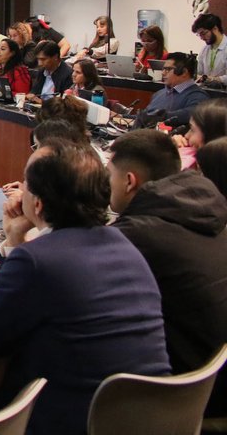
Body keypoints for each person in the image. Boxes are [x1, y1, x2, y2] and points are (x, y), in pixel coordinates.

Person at [0, 142, 169, 435]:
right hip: (148, 418)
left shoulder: (38, 260)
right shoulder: (125, 245)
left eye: (25, 183)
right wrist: (16, 238)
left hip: (71, 420)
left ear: (39, 204)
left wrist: (16, 247)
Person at [106, 130, 227, 416]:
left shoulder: (136, 236)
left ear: (129, 181)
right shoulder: (206, 209)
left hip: (190, 396)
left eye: (109, 174)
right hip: (214, 376)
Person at [133, 52, 209, 129]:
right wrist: (123, 116)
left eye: (168, 69)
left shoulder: (198, 96)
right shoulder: (159, 94)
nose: (162, 73)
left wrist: (162, 117)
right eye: (163, 69)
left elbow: (191, 114)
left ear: (184, 72)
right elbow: (147, 117)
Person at [193, 12, 227, 81]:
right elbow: (199, 72)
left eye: (203, 33)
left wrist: (212, 79)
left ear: (215, 28)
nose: (202, 38)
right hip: (207, 89)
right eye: (199, 35)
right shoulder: (204, 50)